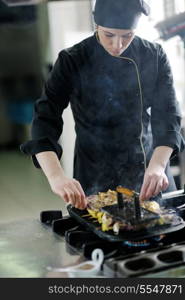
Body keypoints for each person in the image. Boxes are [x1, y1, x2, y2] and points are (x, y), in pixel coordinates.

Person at [21, 0, 185, 210]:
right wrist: (56, 177)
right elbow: (45, 118)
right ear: (96, 25)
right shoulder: (72, 60)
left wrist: (158, 165)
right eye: (109, 35)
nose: (118, 45)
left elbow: (169, 116)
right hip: (94, 173)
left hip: (149, 171)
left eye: (127, 36)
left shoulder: (153, 56)